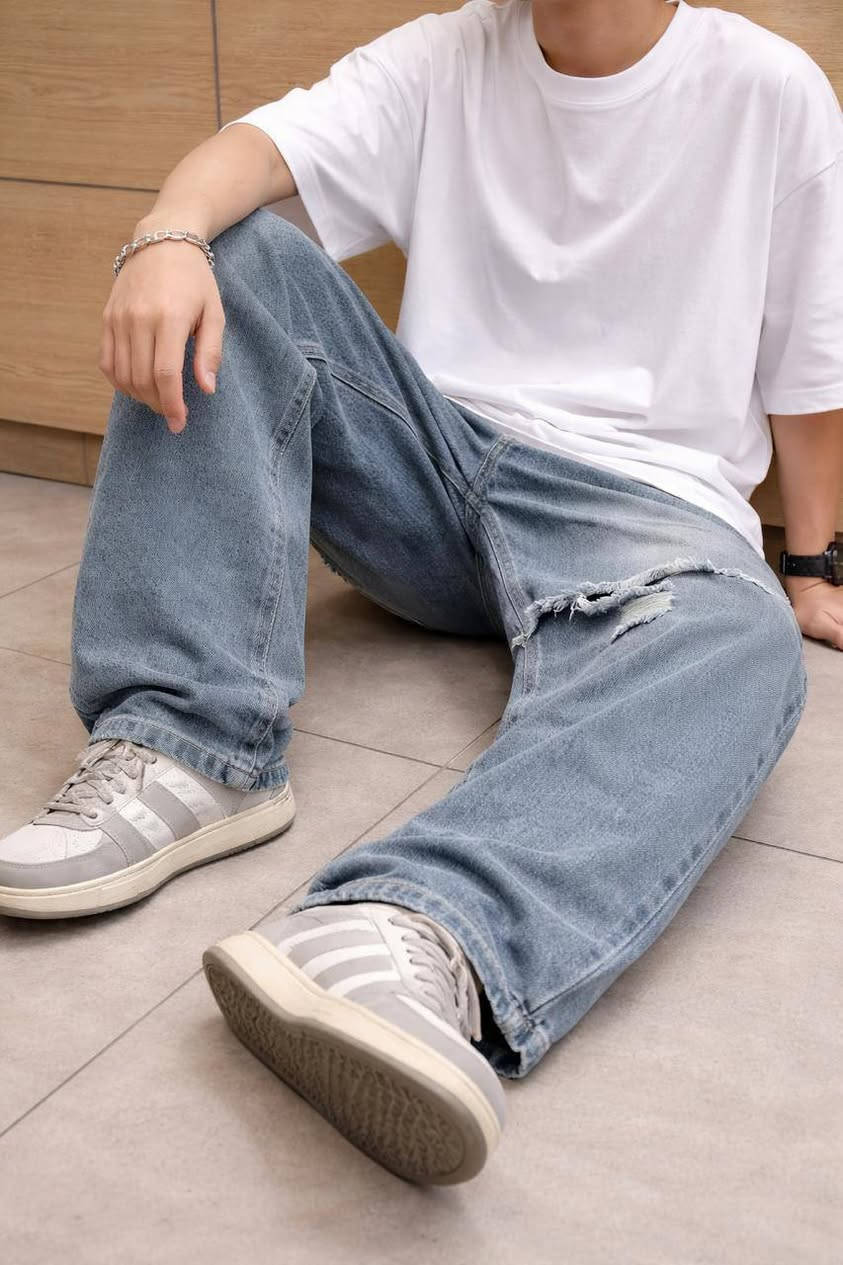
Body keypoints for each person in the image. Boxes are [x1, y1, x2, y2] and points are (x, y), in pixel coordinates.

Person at [1, 0, 841, 1186]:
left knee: (741, 634)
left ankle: (414, 926)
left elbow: (809, 359)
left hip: (642, 506)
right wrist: (166, 234)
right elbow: (258, 150)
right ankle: (188, 739)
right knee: (230, 250)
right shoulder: (450, 54)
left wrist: (810, 563)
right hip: (434, 467)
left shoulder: (770, 89)